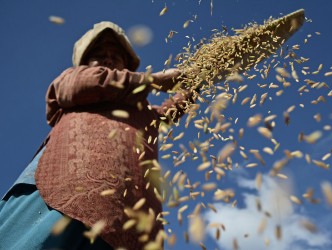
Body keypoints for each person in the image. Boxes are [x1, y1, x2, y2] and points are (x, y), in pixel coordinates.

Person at [0, 21, 198, 250]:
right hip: (62, 191)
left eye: (116, 56)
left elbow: (172, 110)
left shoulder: (143, 114)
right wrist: (155, 80)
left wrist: (200, 77)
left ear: (127, 67)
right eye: (98, 55)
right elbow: (91, 83)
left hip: (124, 220)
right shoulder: (74, 79)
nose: (108, 59)